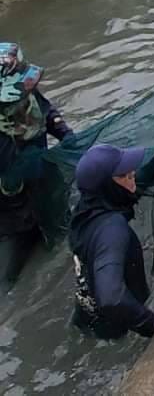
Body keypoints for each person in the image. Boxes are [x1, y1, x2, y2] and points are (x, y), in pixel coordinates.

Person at [69, 143, 154, 339]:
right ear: (108, 186)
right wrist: (153, 322)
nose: (132, 174)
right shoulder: (112, 229)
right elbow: (110, 298)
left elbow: (131, 186)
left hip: (88, 320)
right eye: (124, 174)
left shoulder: (87, 209)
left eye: (130, 171)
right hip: (116, 332)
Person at [0, 43, 73, 289]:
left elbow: (46, 110)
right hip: (10, 202)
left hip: (42, 174)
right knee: (17, 257)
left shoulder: (27, 92)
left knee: (63, 223)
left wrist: (65, 134)